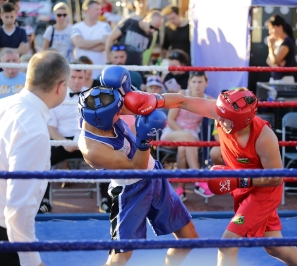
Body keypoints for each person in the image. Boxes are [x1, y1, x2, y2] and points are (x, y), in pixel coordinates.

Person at [120, 87, 297, 266]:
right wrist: (156, 99)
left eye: (226, 119)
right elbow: (182, 101)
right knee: (276, 246)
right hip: (244, 188)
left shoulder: (264, 138)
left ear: (243, 120)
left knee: (227, 245)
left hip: (263, 192)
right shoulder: (222, 112)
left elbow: (276, 178)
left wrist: (239, 179)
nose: (220, 121)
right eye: (220, 116)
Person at [78, 65, 199, 266]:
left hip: (154, 176)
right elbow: (137, 166)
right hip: (130, 192)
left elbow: (149, 102)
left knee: (189, 238)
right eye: (117, 115)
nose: (122, 113)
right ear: (103, 121)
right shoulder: (93, 149)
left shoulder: (105, 101)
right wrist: (145, 139)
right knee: (122, 255)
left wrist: (139, 93)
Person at [0, 50, 70, 266]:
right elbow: (18, 209)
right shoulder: (34, 131)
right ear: (60, 87)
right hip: (6, 236)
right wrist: (32, 261)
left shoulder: (5, 105)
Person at [38, 64, 90, 214]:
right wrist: (64, 142)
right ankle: (44, 202)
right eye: (73, 77)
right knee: (41, 159)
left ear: (85, 78)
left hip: (86, 139)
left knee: (106, 158)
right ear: (67, 78)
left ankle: (107, 200)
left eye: (80, 77)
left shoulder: (93, 96)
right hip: (61, 140)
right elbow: (50, 127)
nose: (76, 81)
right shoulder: (57, 96)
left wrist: (84, 139)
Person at [160, 71, 214, 201]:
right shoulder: (182, 95)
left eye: (200, 82)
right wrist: (183, 135)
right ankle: (198, 179)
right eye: (194, 82)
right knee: (187, 139)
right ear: (189, 83)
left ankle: (181, 190)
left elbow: (224, 107)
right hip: (172, 133)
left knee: (184, 147)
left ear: (206, 83)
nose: (197, 85)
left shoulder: (209, 100)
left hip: (192, 136)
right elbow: (171, 120)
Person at [71, 0, 111, 79]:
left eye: (100, 9)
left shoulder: (105, 26)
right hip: (81, 74)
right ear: (87, 10)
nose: (100, 12)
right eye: (96, 9)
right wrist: (100, 41)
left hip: (100, 73)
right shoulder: (76, 27)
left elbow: (106, 45)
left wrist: (85, 45)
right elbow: (78, 43)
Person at [265, 14, 296, 81]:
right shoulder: (278, 41)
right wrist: (277, 65)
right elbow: (268, 60)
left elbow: (275, 60)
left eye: (272, 28)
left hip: (284, 80)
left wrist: (270, 46)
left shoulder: (287, 42)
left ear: (280, 27)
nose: (270, 32)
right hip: (275, 79)